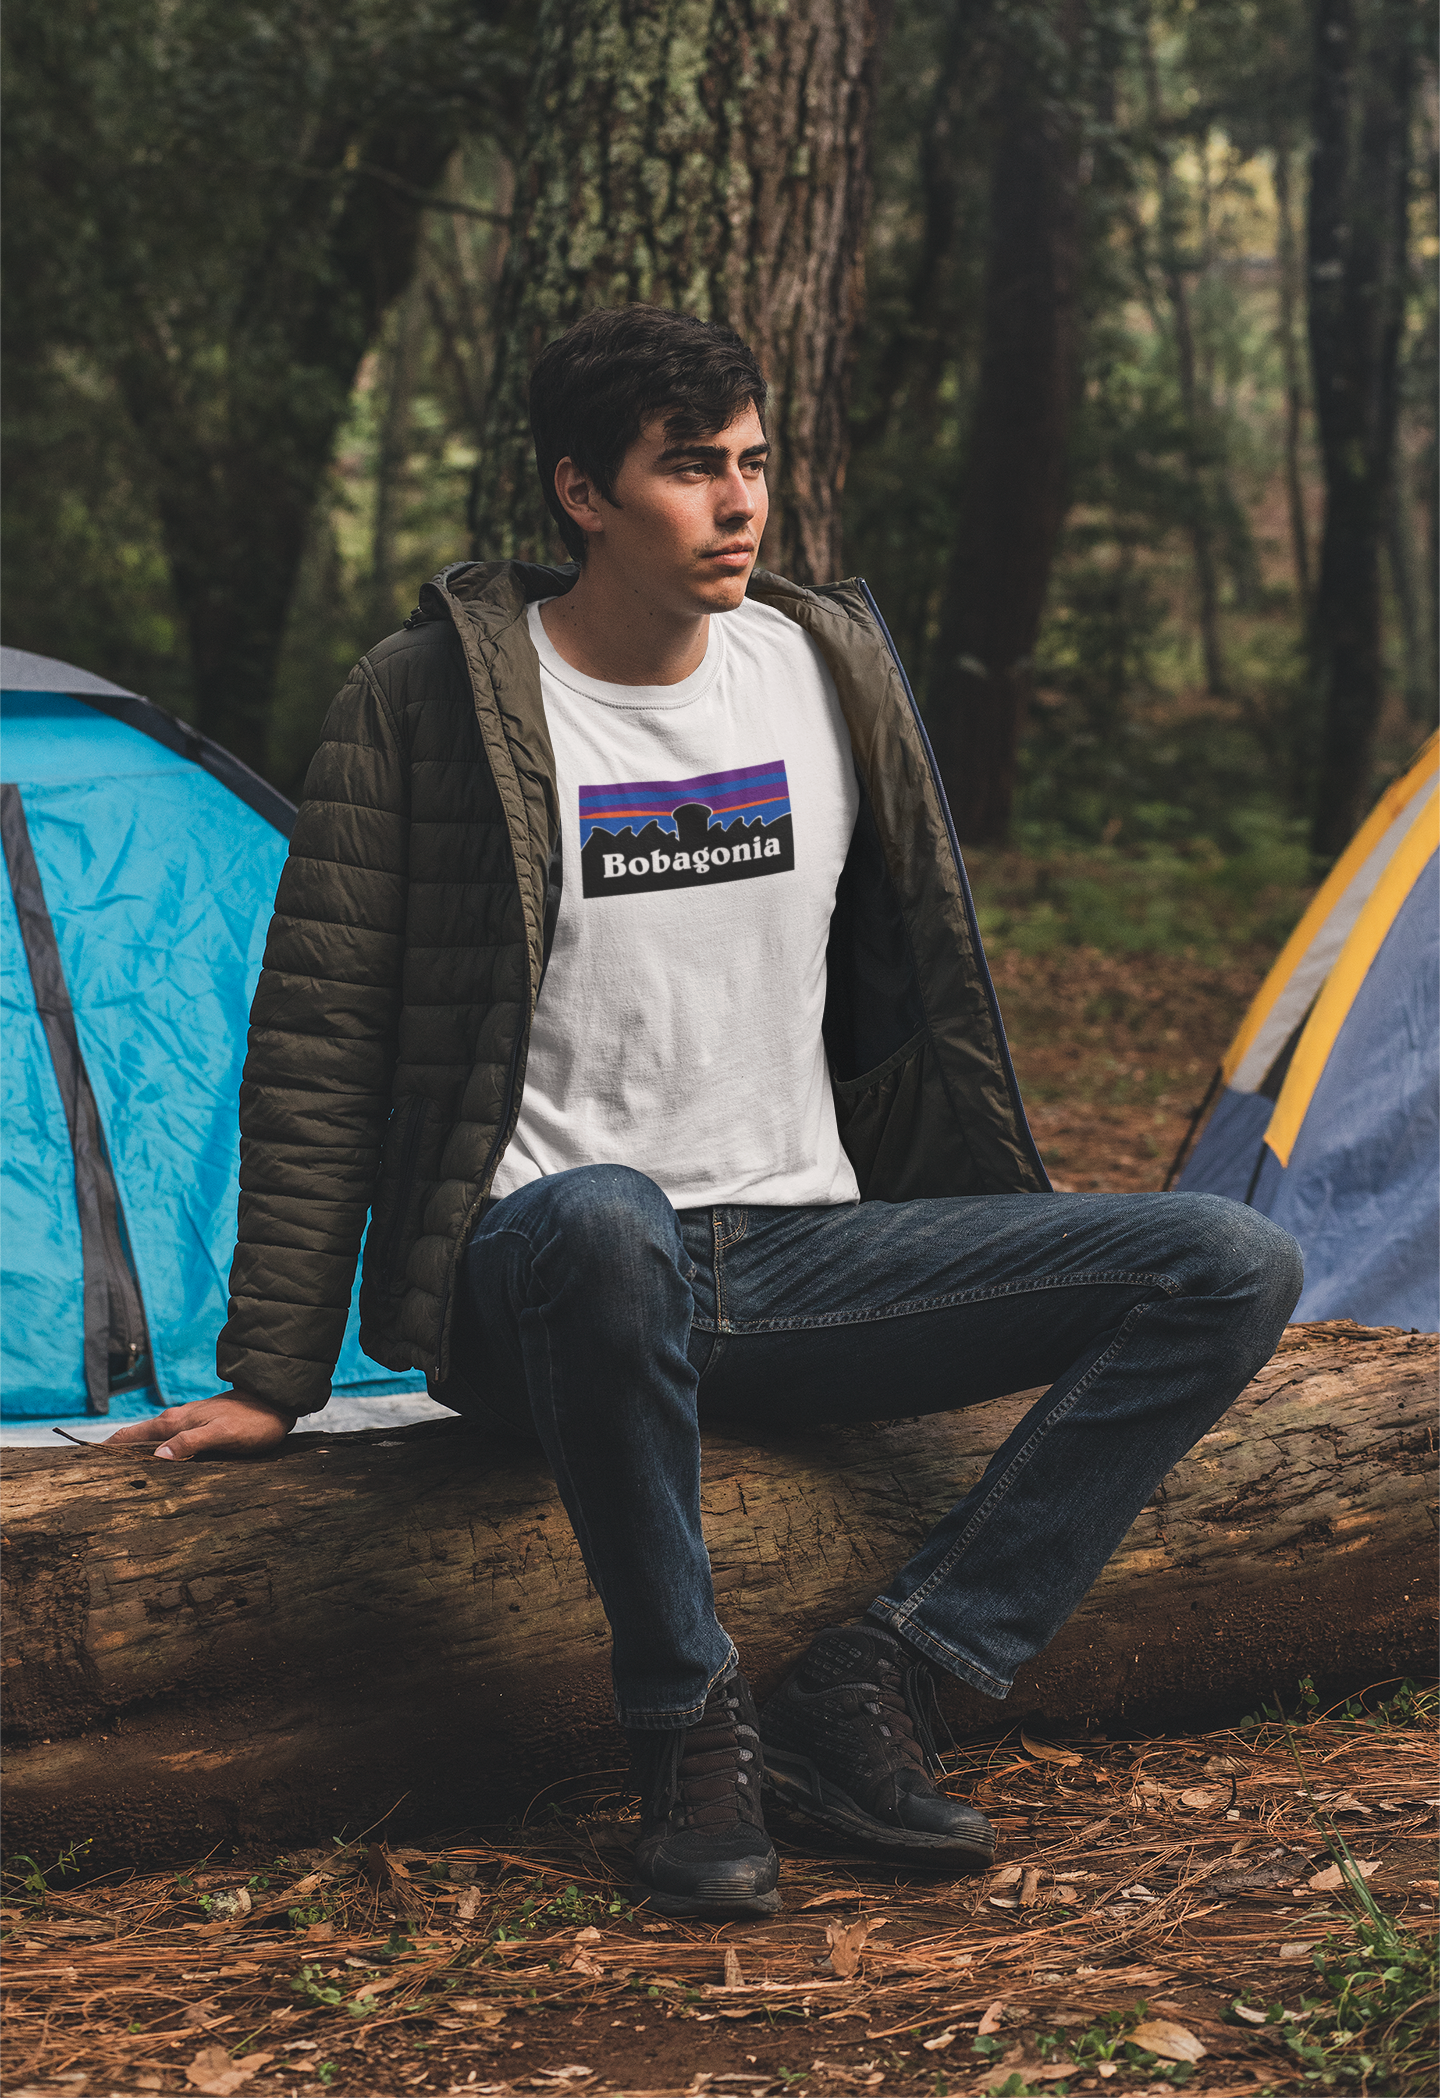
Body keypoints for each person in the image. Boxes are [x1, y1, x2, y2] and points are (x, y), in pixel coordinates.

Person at [109, 305, 1303, 1918]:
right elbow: (320, 1037)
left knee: (1227, 1262)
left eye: (751, 464)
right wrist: (275, 1373)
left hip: (801, 1254)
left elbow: (916, 977)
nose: (740, 502)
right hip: (543, 1275)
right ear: (583, 495)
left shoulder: (825, 671)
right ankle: (689, 1733)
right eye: (689, 470)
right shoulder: (426, 703)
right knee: (608, 1217)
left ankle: (883, 1677)